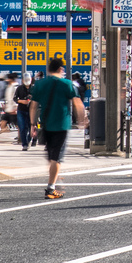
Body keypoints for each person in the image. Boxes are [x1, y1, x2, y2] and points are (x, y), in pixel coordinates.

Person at [29, 56, 85, 201]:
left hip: (46, 124)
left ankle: (55, 178)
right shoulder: (67, 84)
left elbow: (33, 105)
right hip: (61, 124)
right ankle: (51, 188)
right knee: (56, 158)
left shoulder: (40, 84)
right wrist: (81, 120)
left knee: (52, 156)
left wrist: (32, 124)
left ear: (48, 69)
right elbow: (77, 103)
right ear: (61, 69)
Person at [12, 73, 34, 150]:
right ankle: (24, 144)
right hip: (21, 110)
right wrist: (21, 101)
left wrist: (31, 100)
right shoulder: (19, 88)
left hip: (31, 111)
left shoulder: (34, 88)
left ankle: (28, 141)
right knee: (22, 128)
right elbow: (14, 98)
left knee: (30, 127)